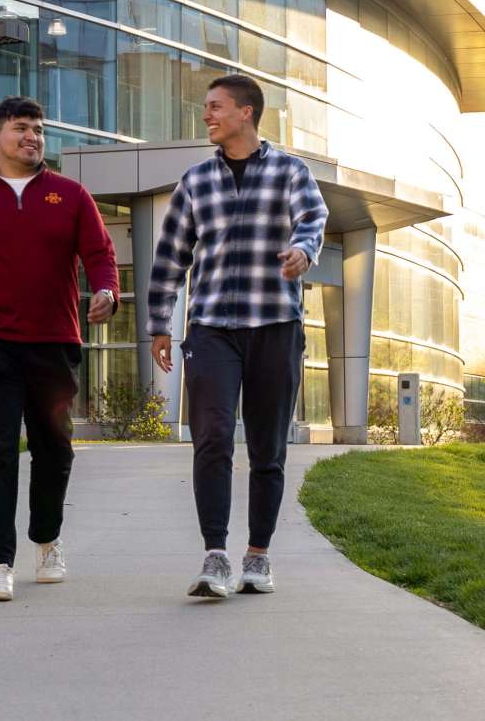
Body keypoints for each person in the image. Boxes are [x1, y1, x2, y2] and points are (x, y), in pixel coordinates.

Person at [0, 96, 119, 602]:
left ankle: (47, 539)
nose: (32, 136)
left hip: (54, 342)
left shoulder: (71, 195)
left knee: (54, 449)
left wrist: (106, 291)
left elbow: (100, 253)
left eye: (38, 129)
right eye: (21, 128)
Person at [146, 73, 326, 599]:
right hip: (212, 329)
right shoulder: (195, 181)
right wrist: (160, 323)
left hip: (275, 324)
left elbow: (312, 218)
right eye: (207, 107)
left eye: (216, 106)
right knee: (213, 438)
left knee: (269, 447)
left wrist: (304, 251)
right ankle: (216, 555)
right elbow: (170, 259)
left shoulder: (291, 172)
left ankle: (258, 555)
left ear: (246, 112)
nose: (208, 115)